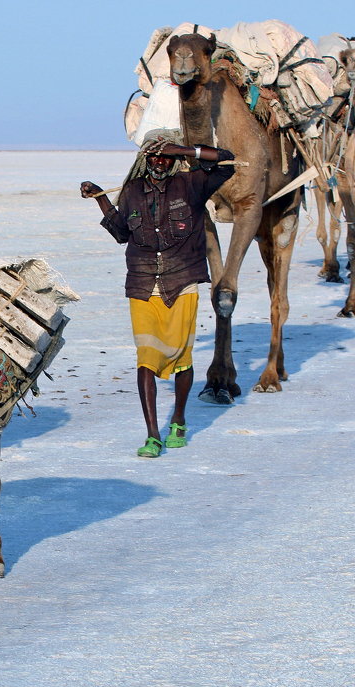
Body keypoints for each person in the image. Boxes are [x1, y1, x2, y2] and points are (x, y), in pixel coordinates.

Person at [80, 131, 235, 457]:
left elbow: (226, 162)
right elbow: (122, 232)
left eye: (166, 155)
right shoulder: (132, 192)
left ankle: (178, 418)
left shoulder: (191, 184)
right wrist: (100, 198)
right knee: (147, 359)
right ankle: (152, 434)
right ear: (145, 159)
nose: (160, 160)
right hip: (142, 284)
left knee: (181, 357)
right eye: (154, 155)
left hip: (182, 282)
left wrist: (183, 149)